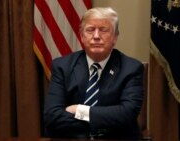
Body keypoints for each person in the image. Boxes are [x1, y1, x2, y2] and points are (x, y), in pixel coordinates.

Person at [44, 7, 144, 140]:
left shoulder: (131, 68)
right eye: (90, 30)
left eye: (103, 30)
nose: (96, 36)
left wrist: (80, 110)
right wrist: (104, 122)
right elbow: (52, 116)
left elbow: (127, 114)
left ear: (115, 37)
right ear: (82, 36)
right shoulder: (62, 66)